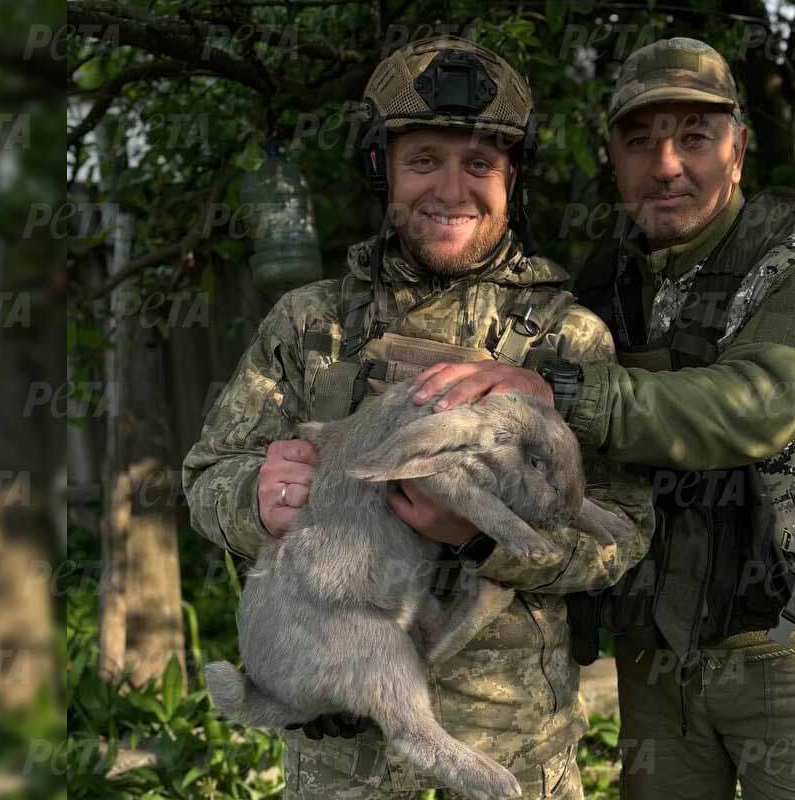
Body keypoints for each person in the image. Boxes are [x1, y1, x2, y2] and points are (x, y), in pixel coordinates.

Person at [411, 37, 795, 800]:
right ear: (613, 158)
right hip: (656, 648)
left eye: (693, 138)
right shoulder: (608, 275)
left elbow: (759, 404)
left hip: (788, 644)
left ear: (738, 151)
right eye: (640, 142)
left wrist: (559, 394)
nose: (666, 164)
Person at [183, 35, 654, 799]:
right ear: (384, 171)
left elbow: (626, 531)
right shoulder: (311, 325)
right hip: (343, 765)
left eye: (480, 164)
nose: (452, 187)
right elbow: (206, 477)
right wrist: (252, 500)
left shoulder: (568, 339)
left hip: (517, 754)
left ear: (512, 180)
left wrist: (478, 539)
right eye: (424, 158)